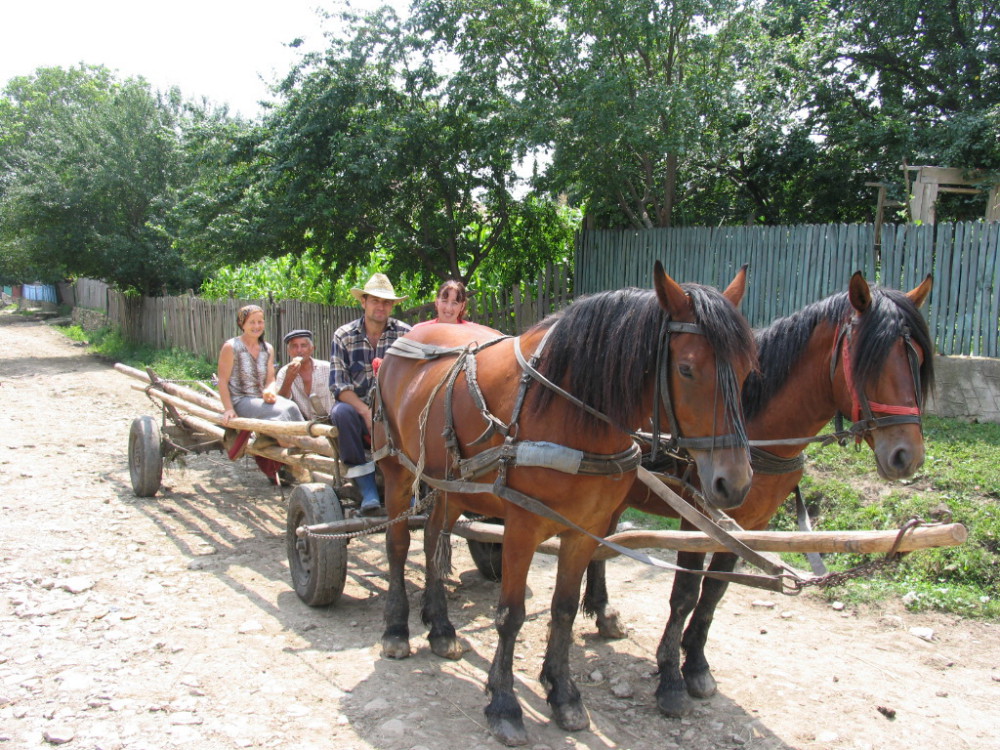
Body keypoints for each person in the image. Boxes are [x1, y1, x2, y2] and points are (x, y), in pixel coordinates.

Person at [329, 273, 412, 515]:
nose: (381, 306)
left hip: (396, 411)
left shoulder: (405, 334)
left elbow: (414, 381)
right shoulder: (343, 335)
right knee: (341, 412)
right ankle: (367, 489)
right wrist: (366, 411)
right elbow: (338, 385)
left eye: (386, 302)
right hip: (358, 411)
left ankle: (411, 489)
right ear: (363, 302)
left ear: (393, 305)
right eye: (375, 300)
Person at [217, 304, 303, 430]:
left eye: (260, 322)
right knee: (281, 412)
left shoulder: (267, 348)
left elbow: (270, 379)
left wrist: (269, 390)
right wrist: (228, 409)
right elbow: (222, 381)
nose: (257, 326)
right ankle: (285, 442)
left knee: (292, 406)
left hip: (261, 399)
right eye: (252, 322)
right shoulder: (231, 347)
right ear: (242, 324)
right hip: (240, 400)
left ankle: (297, 441)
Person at [275, 329, 332, 422]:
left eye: (303, 345)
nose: (299, 350)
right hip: (302, 425)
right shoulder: (284, 372)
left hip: (330, 421)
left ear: (312, 348)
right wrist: (289, 379)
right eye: (294, 346)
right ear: (289, 351)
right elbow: (281, 403)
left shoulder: (327, 368)